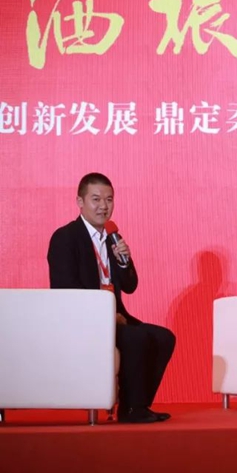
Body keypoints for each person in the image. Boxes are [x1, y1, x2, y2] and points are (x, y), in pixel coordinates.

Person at [47, 173, 176, 423]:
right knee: (136, 338)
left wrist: (123, 261)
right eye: (96, 199)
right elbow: (65, 289)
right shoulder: (65, 237)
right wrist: (105, 316)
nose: (103, 206)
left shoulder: (112, 239)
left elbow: (130, 286)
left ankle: (135, 406)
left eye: (109, 199)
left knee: (164, 337)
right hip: (82, 319)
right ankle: (133, 409)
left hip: (116, 318)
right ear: (80, 202)